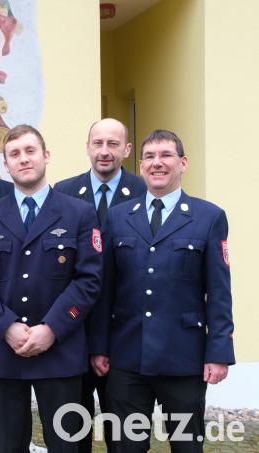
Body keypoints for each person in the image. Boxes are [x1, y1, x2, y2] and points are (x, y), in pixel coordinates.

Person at [89, 130, 234, 452]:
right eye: (150, 157)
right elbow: (105, 289)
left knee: (185, 445)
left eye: (166, 156)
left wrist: (219, 352)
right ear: (140, 166)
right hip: (127, 358)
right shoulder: (118, 217)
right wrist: (99, 346)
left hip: (184, 358)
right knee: (126, 445)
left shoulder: (209, 217)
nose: (158, 163)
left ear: (182, 163)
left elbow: (219, 291)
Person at [0, 124, 103, 452]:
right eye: (14, 154)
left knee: (65, 443)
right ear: (5, 164)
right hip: (3, 350)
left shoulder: (79, 213)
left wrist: (52, 328)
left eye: (30, 151)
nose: (23, 159)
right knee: (10, 444)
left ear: (46, 156)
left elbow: (88, 279)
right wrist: (6, 326)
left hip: (60, 350)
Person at [53, 117, 146, 452]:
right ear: (87, 146)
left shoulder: (144, 192)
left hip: (123, 333)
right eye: (98, 143)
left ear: (127, 149)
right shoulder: (62, 191)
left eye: (113, 144)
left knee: (122, 433)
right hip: (73, 332)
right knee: (74, 431)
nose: (104, 152)